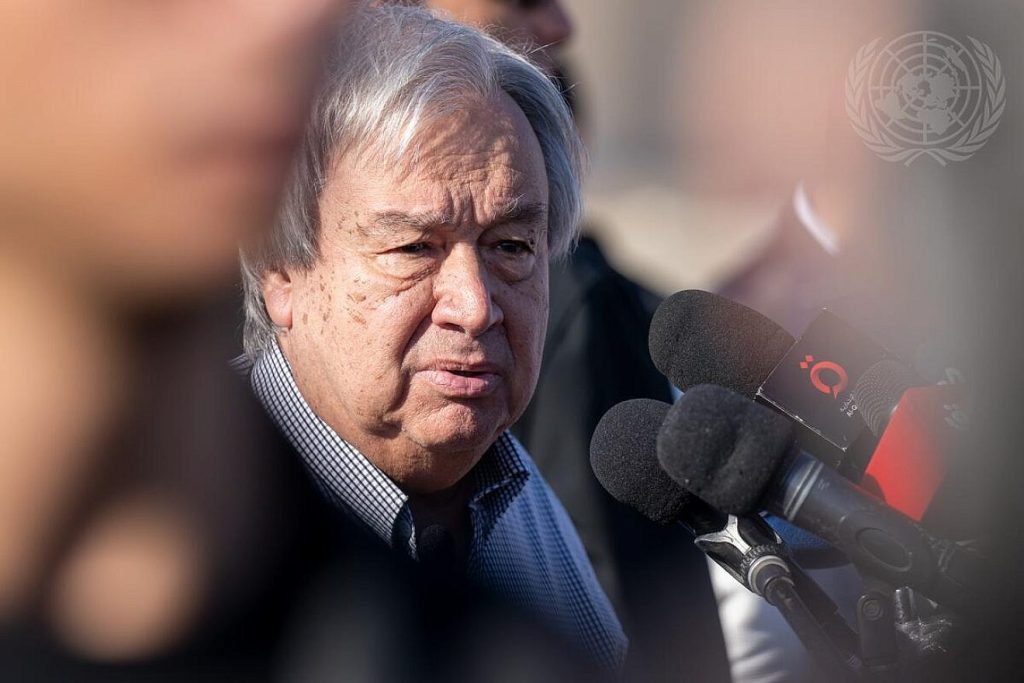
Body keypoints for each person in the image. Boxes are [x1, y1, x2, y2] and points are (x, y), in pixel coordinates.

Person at [238, 5, 626, 671]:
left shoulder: (518, 501)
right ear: (281, 267)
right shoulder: (206, 528)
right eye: (415, 248)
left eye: (511, 247)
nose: (474, 307)